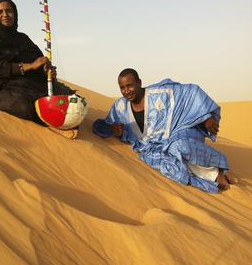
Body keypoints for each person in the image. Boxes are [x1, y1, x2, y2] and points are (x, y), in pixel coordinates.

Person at [93, 68, 237, 193]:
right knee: (168, 163)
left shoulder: (161, 93)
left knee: (180, 147)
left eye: (129, 86)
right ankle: (215, 175)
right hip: (153, 147)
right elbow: (101, 125)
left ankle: (220, 170)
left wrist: (206, 118)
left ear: (139, 83)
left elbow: (192, 92)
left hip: (180, 130)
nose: (126, 91)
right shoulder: (120, 107)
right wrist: (113, 129)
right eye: (122, 87)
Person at [0, 0, 75, 128]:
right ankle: (55, 123)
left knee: (69, 99)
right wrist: (30, 66)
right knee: (26, 106)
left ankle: (60, 120)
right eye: (0, 12)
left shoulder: (22, 38)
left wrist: (45, 70)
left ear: (15, 13)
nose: (5, 15)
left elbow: (37, 61)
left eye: (9, 11)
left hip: (23, 80)